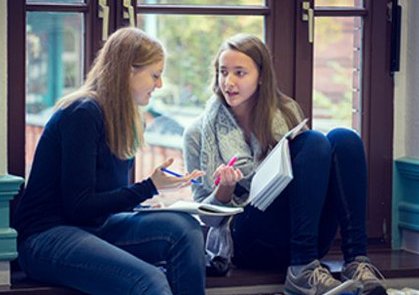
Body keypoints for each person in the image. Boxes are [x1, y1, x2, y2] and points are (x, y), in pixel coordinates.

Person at [183, 33, 387, 295]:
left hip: (303, 234)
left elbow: (309, 183)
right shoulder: (198, 133)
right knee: (313, 141)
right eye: (223, 72)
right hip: (247, 240)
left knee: (344, 139)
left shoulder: (287, 111)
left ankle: (356, 261)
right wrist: (224, 190)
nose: (228, 82)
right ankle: (302, 271)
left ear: (261, 76)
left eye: (240, 73)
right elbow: (206, 219)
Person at [14, 27, 206, 295]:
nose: (159, 85)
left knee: (185, 229)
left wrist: (151, 199)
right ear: (129, 70)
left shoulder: (126, 119)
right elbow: (79, 206)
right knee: (149, 281)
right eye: (155, 75)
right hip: (47, 236)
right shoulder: (82, 114)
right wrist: (148, 186)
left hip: (95, 227)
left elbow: (106, 197)